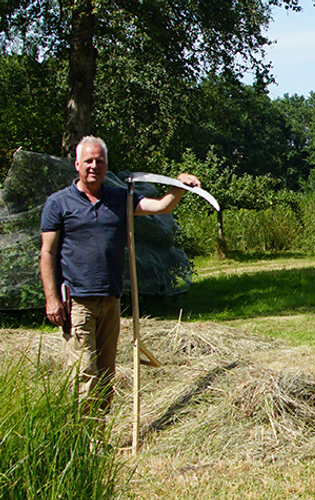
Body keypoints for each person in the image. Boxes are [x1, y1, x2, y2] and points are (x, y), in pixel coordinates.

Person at [40, 135, 200, 413]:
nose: (94, 166)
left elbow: (161, 207)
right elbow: (48, 253)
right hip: (77, 302)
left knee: (105, 375)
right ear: (77, 164)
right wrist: (51, 299)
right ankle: (84, 441)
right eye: (88, 161)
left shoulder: (119, 198)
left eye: (99, 161)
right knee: (84, 374)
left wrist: (178, 185)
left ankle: (98, 439)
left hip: (111, 300)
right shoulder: (59, 203)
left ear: (105, 165)